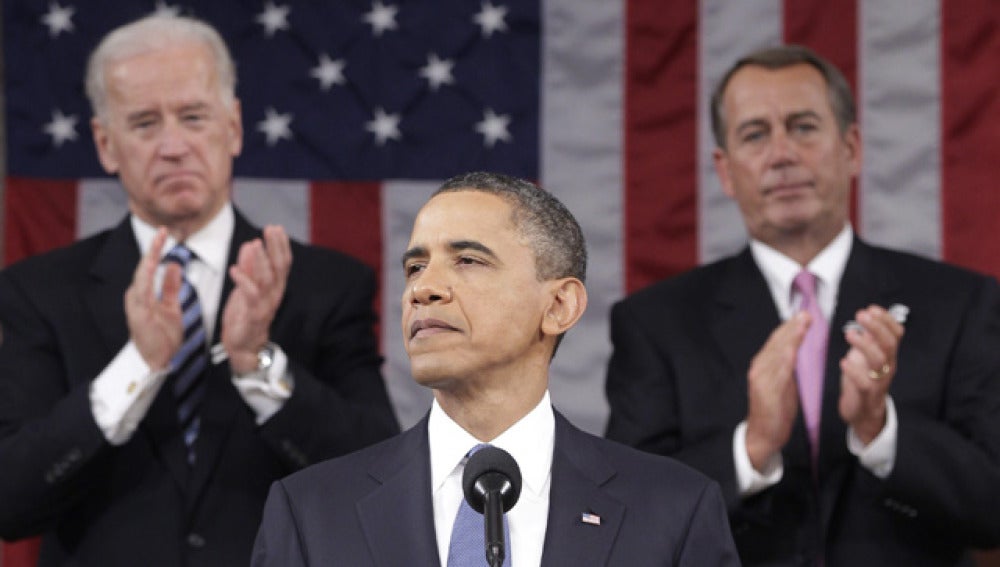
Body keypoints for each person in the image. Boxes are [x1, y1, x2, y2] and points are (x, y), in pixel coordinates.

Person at [0, 14, 399, 567]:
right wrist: (137, 366)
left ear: (232, 127)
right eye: (144, 123)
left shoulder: (325, 286)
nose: (173, 146)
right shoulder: (38, 292)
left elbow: (379, 477)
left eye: (193, 117)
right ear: (105, 144)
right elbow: (11, 500)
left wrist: (256, 362)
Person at [605, 44, 1000, 566]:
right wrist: (751, 447)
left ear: (852, 148)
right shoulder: (656, 322)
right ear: (725, 171)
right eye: (755, 134)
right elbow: (629, 524)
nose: (782, 153)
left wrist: (881, 432)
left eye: (804, 126)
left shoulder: (961, 303)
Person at [251, 171, 740, 566]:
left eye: (467, 260)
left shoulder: (672, 511)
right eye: (415, 267)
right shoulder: (310, 512)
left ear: (559, 306)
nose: (424, 289)